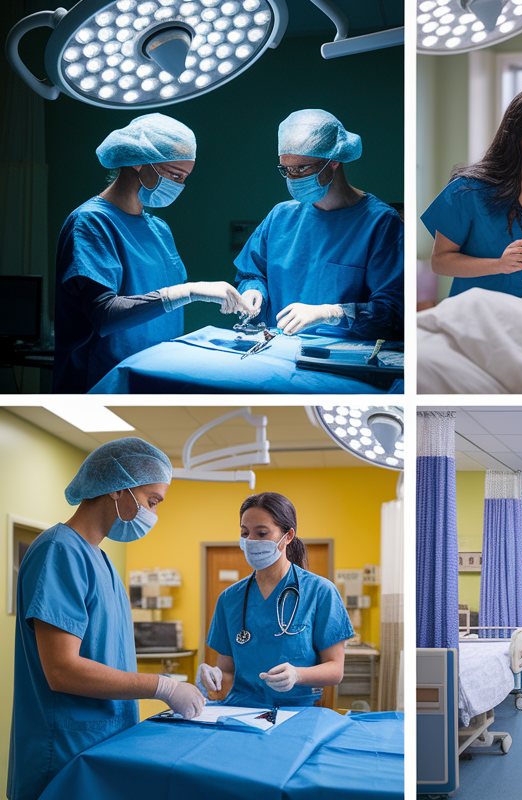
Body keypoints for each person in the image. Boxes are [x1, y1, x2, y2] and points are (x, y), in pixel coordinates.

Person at [8, 439, 205, 800]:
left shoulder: (102, 560)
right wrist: (163, 687)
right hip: (65, 752)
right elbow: (62, 669)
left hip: (103, 742)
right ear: (118, 489)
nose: (153, 513)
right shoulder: (59, 552)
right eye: (152, 500)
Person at [54, 114, 250, 392]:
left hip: (152, 375)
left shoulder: (159, 229)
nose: (179, 185)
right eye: (174, 174)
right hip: (101, 381)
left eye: (184, 178)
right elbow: (105, 315)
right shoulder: (91, 223)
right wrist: (189, 292)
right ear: (137, 159)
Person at [235, 109, 404, 340]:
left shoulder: (379, 223)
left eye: (301, 169)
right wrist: (254, 290)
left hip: (341, 360)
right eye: (286, 169)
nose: (292, 177)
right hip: (278, 349)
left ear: (333, 162)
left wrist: (332, 313)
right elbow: (252, 273)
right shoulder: (280, 217)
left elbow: (392, 312)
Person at [202, 493, 352, 707]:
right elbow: (227, 670)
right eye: (245, 533)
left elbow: (335, 669)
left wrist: (297, 674)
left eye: (262, 533)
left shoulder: (320, 591)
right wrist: (213, 675)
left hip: (297, 713)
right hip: (242, 710)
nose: (251, 540)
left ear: (288, 536)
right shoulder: (230, 598)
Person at [423, 89, 522, 298]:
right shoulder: (467, 191)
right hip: (477, 316)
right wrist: (499, 265)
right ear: (516, 139)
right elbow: (439, 262)